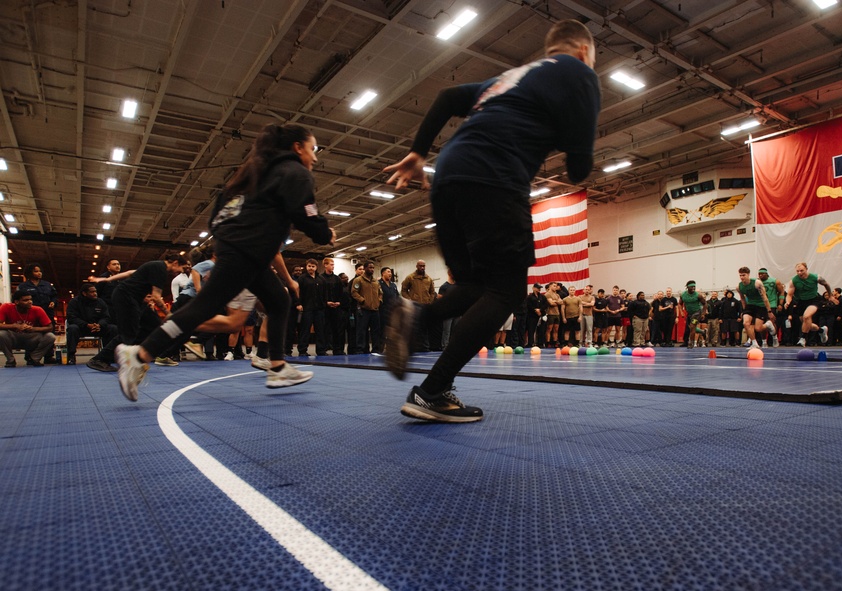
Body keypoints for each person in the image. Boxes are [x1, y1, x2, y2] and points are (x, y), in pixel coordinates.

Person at [382, 18, 600, 422]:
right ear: (584, 51)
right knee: (507, 291)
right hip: (494, 177)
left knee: (477, 285)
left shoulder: (509, 78)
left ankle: (419, 322)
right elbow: (578, 169)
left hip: (448, 175)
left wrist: (417, 152)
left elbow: (448, 97)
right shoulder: (579, 73)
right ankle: (430, 389)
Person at [112, 123, 334, 400]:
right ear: (297, 147)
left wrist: (231, 238)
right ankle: (140, 353)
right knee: (203, 308)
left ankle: (277, 366)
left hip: (243, 251)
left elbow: (216, 215)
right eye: (312, 149)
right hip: (246, 252)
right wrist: (326, 233)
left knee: (279, 300)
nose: (314, 157)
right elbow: (308, 214)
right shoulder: (296, 173)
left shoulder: (254, 172)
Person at [85, 253, 188, 373]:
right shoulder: (160, 269)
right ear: (175, 263)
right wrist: (169, 314)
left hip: (135, 300)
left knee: (153, 325)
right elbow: (156, 297)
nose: (181, 272)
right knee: (128, 333)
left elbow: (129, 273)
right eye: (182, 268)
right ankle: (99, 359)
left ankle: (137, 356)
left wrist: (107, 279)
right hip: (126, 297)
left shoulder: (155, 266)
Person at [1, 290, 56, 367]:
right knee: (1, 334)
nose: (30, 302)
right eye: (25, 300)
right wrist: (15, 326)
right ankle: (10, 360)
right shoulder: (6, 307)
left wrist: (33, 329)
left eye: (30, 299)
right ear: (16, 302)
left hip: (31, 338)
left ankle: (34, 358)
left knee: (50, 336)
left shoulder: (38, 309)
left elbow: (50, 327)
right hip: (13, 337)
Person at [17, 263, 59, 363]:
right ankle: (30, 357)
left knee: (49, 333)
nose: (39, 273)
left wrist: (54, 302)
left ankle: (48, 356)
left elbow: (54, 296)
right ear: (29, 273)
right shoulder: (23, 286)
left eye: (40, 271)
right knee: (31, 334)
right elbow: (18, 300)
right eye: (36, 271)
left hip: (47, 312)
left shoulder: (47, 284)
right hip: (31, 313)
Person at [783, 262, 831, 347]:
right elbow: (789, 294)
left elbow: (826, 284)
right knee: (806, 323)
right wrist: (787, 302)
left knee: (806, 316)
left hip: (813, 300)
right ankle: (821, 330)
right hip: (801, 302)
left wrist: (830, 295)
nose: (799, 273)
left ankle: (803, 338)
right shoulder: (794, 280)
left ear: (806, 269)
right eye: (797, 271)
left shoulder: (816, 277)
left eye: (802, 271)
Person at [65, 283, 115, 364]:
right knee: (72, 328)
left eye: (95, 291)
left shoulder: (100, 302)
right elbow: (71, 317)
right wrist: (86, 325)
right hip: (82, 328)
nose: (95, 293)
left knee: (113, 328)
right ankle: (71, 356)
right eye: (92, 292)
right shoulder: (74, 302)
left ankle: (108, 355)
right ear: (84, 293)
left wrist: (100, 325)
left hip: (98, 328)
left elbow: (106, 317)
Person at [737, 267, 773, 349]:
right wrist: (744, 310)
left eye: (744, 275)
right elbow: (742, 299)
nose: (742, 277)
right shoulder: (739, 287)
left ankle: (768, 324)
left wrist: (769, 311)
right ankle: (754, 343)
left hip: (761, 305)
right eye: (740, 275)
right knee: (745, 323)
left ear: (748, 274)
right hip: (750, 305)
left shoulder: (757, 283)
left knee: (758, 328)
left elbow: (765, 298)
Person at [679, 281, 707, 348]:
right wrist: (681, 311)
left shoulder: (698, 295)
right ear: (688, 287)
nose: (693, 288)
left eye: (694, 286)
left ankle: (690, 343)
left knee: (692, 326)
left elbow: (705, 304)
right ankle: (703, 332)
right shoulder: (683, 295)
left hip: (697, 313)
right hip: (689, 313)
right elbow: (680, 303)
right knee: (691, 328)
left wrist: (703, 313)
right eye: (692, 286)